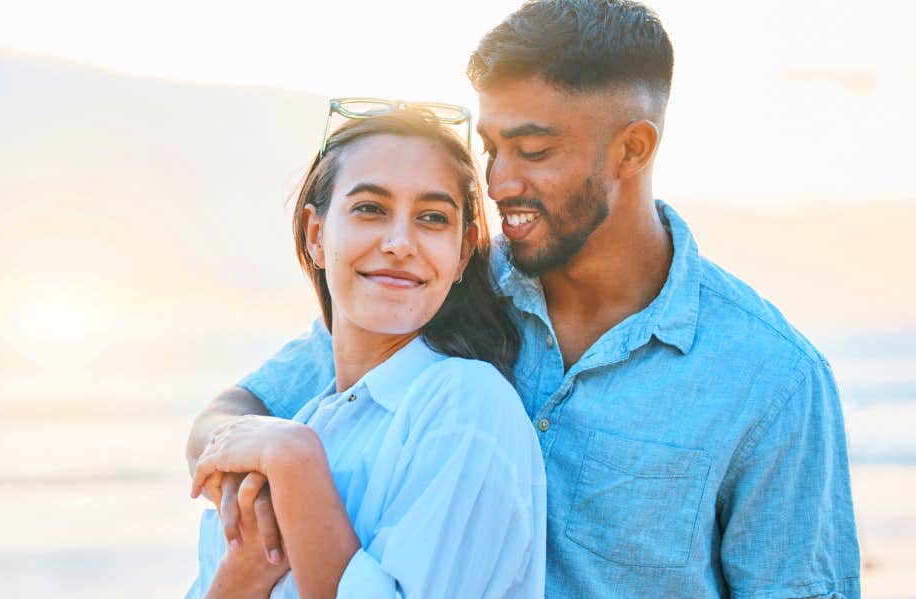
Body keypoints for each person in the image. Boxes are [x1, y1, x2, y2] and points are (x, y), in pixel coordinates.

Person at [186, 0, 860, 597]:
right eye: (491, 148)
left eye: (533, 149)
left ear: (633, 148)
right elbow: (241, 414)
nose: (500, 181)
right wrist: (254, 495)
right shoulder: (444, 286)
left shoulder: (772, 380)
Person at [185, 108, 547, 598]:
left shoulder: (467, 406)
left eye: (432, 218)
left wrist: (297, 463)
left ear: (462, 254)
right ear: (316, 236)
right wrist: (243, 574)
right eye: (370, 209)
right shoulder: (305, 419)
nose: (400, 243)